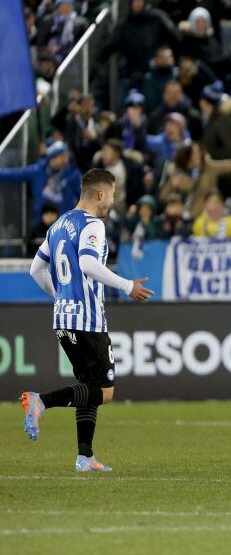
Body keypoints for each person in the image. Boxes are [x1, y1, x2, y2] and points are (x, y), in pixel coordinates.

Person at [20, 169, 154, 473]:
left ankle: (85, 457)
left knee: (87, 386)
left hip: (63, 318)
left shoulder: (58, 225)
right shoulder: (93, 225)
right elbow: (88, 263)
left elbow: (35, 270)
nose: (114, 200)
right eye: (114, 194)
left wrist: (60, 295)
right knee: (105, 392)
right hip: (88, 321)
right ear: (101, 194)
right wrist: (126, 285)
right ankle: (41, 401)